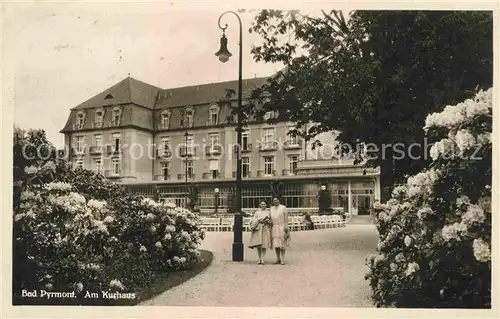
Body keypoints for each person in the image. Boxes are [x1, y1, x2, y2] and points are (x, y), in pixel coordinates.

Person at [270, 197, 289, 265]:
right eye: (274, 200)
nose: (275, 201)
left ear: (279, 200)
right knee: (276, 244)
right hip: (274, 227)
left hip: (282, 226)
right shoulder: (271, 208)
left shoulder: (283, 207)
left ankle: (282, 259)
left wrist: (286, 226)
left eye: (277, 200)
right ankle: (278, 258)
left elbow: (286, 218)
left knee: (282, 244)